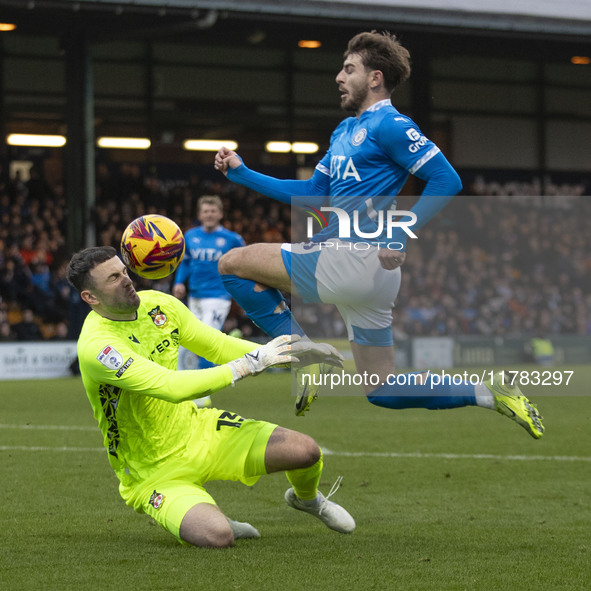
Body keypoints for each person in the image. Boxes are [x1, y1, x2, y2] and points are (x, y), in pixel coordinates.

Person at [214, 30, 544, 438]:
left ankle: (303, 354)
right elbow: (313, 194)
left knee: (231, 264)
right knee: (382, 388)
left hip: (354, 255)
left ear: (374, 78)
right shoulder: (342, 133)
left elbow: (445, 179)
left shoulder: (391, 124)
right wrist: (243, 173)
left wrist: (401, 234)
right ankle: (490, 393)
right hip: (371, 274)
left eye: (349, 68)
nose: (339, 77)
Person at [66, 246, 353, 548]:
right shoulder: (99, 347)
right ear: (91, 297)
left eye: (124, 270)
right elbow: (170, 386)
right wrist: (250, 364)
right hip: (152, 471)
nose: (126, 279)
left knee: (306, 451)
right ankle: (208, 516)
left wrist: (295, 355)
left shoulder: (160, 306)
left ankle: (307, 499)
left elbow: (217, 346)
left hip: (198, 428)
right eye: (113, 277)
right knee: (217, 536)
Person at [172, 195, 245, 407]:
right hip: (194, 297)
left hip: (218, 297)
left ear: (220, 214)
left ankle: (203, 394)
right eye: (206, 211)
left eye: (213, 211)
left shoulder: (232, 239)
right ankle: (182, 388)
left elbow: (243, 263)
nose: (209, 214)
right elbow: (184, 263)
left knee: (205, 341)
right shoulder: (190, 236)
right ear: (199, 214)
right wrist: (179, 282)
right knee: (184, 342)